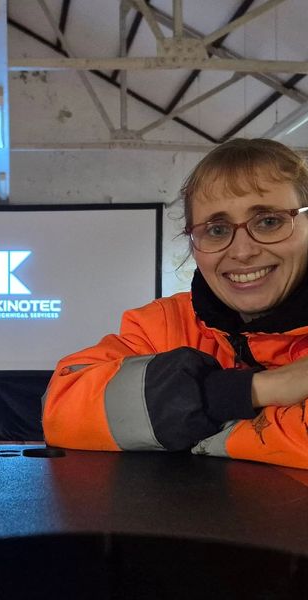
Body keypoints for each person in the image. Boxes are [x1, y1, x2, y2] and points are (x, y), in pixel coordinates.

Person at [43, 138, 308, 469]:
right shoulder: (164, 324)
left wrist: (180, 425)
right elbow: (62, 408)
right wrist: (253, 390)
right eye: (216, 229)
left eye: (269, 222)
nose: (242, 251)